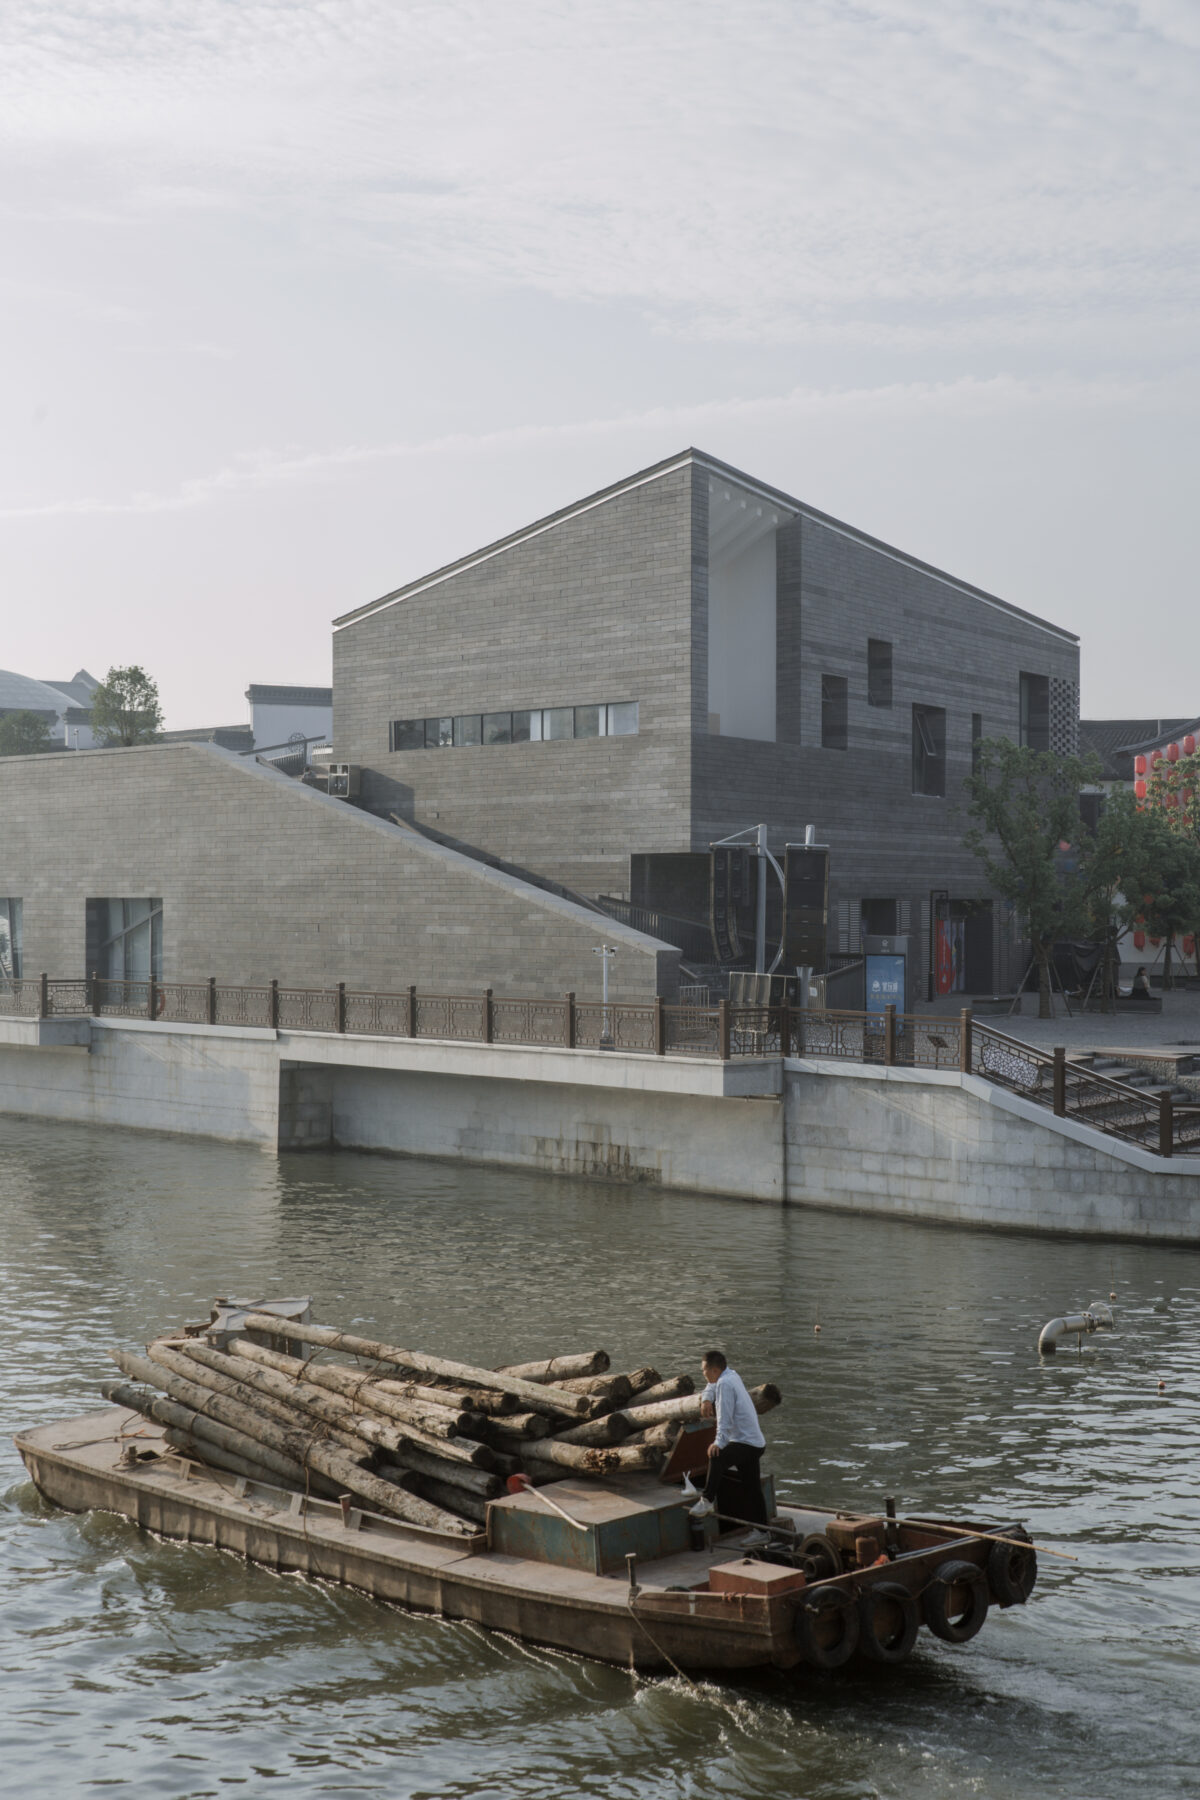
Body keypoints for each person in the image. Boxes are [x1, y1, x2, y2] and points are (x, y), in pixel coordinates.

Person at [688, 1349, 768, 1526]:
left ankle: (707, 1501)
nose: (703, 1374)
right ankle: (762, 1531)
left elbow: (725, 1418)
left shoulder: (725, 1384)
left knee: (716, 1455)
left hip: (745, 1443)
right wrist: (706, 1400)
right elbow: (711, 1386)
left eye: (704, 1370)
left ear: (714, 1370)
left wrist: (719, 1442)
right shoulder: (730, 1375)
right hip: (754, 1442)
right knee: (752, 1489)